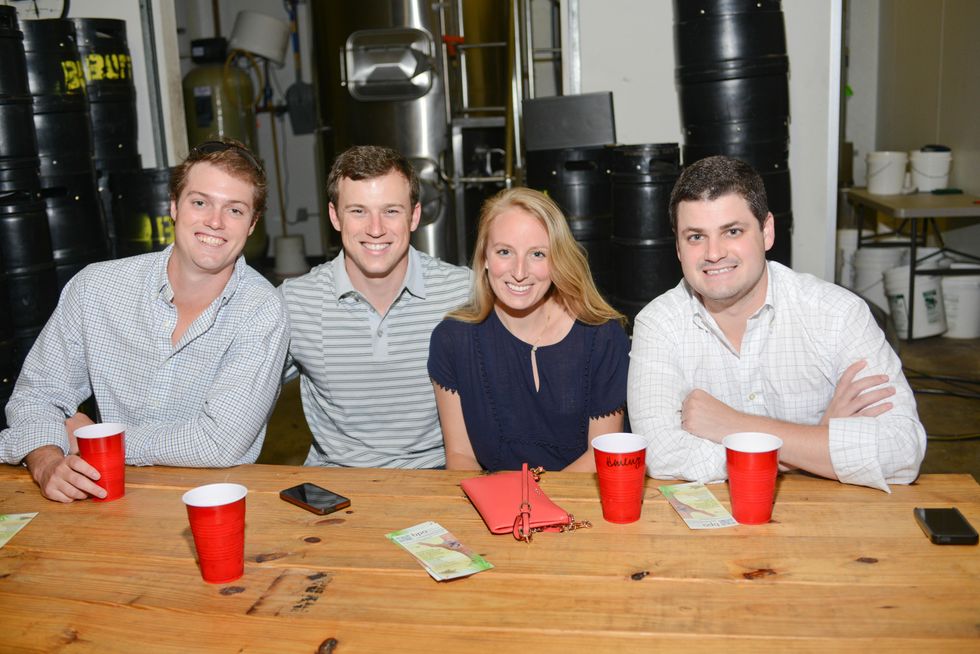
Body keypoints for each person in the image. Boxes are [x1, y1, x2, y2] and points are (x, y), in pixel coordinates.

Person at [0, 139, 289, 502]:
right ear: (173, 206)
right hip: (106, 492)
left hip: (216, 502)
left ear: (252, 224)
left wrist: (102, 439)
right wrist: (45, 460)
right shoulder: (96, 288)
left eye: (235, 210)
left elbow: (221, 443)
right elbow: (37, 393)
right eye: (200, 203)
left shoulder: (261, 309)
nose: (215, 222)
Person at [628, 155, 926, 492]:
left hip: (830, 524)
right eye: (696, 237)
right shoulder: (658, 324)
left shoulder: (837, 313)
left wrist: (735, 426)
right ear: (679, 248)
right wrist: (810, 446)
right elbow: (658, 453)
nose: (713, 253)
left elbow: (903, 450)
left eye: (733, 231)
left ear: (767, 231)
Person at [280, 145, 471, 468]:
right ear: (334, 216)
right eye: (358, 211)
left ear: (414, 216)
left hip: (435, 476)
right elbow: (240, 395)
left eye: (391, 211)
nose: (376, 228)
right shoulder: (295, 302)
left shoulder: (462, 292)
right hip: (336, 486)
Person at [428, 187, 630, 472]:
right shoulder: (452, 340)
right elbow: (461, 456)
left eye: (537, 254)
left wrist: (533, 507)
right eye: (504, 252)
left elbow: (601, 457)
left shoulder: (602, 336)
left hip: (578, 506)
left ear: (557, 259)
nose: (519, 271)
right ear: (484, 257)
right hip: (491, 507)